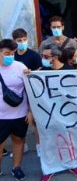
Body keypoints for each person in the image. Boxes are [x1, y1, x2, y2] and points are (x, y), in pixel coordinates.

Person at [39, 44, 77, 181]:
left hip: (67, 112)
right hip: (48, 112)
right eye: (43, 56)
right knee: (48, 141)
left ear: (56, 56)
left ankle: (72, 163)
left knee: (69, 139)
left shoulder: (69, 70)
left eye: (46, 56)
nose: (43, 58)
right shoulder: (41, 72)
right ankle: (49, 168)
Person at [0, 39, 32, 181]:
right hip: (1, 116)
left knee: (19, 140)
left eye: (12, 53)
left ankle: (16, 168)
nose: (10, 57)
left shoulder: (20, 67)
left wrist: (30, 111)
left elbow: (31, 90)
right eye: (7, 53)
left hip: (20, 114)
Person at [12, 28, 41, 157]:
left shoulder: (34, 55)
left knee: (35, 120)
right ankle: (21, 146)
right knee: (17, 120)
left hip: (31, 91)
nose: (22, 42)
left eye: (24, 40)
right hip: (17, 92)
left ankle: (40, 146)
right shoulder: (12, 56)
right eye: (19, 40)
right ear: (14, 41)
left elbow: (40, 70)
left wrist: (31, 73)